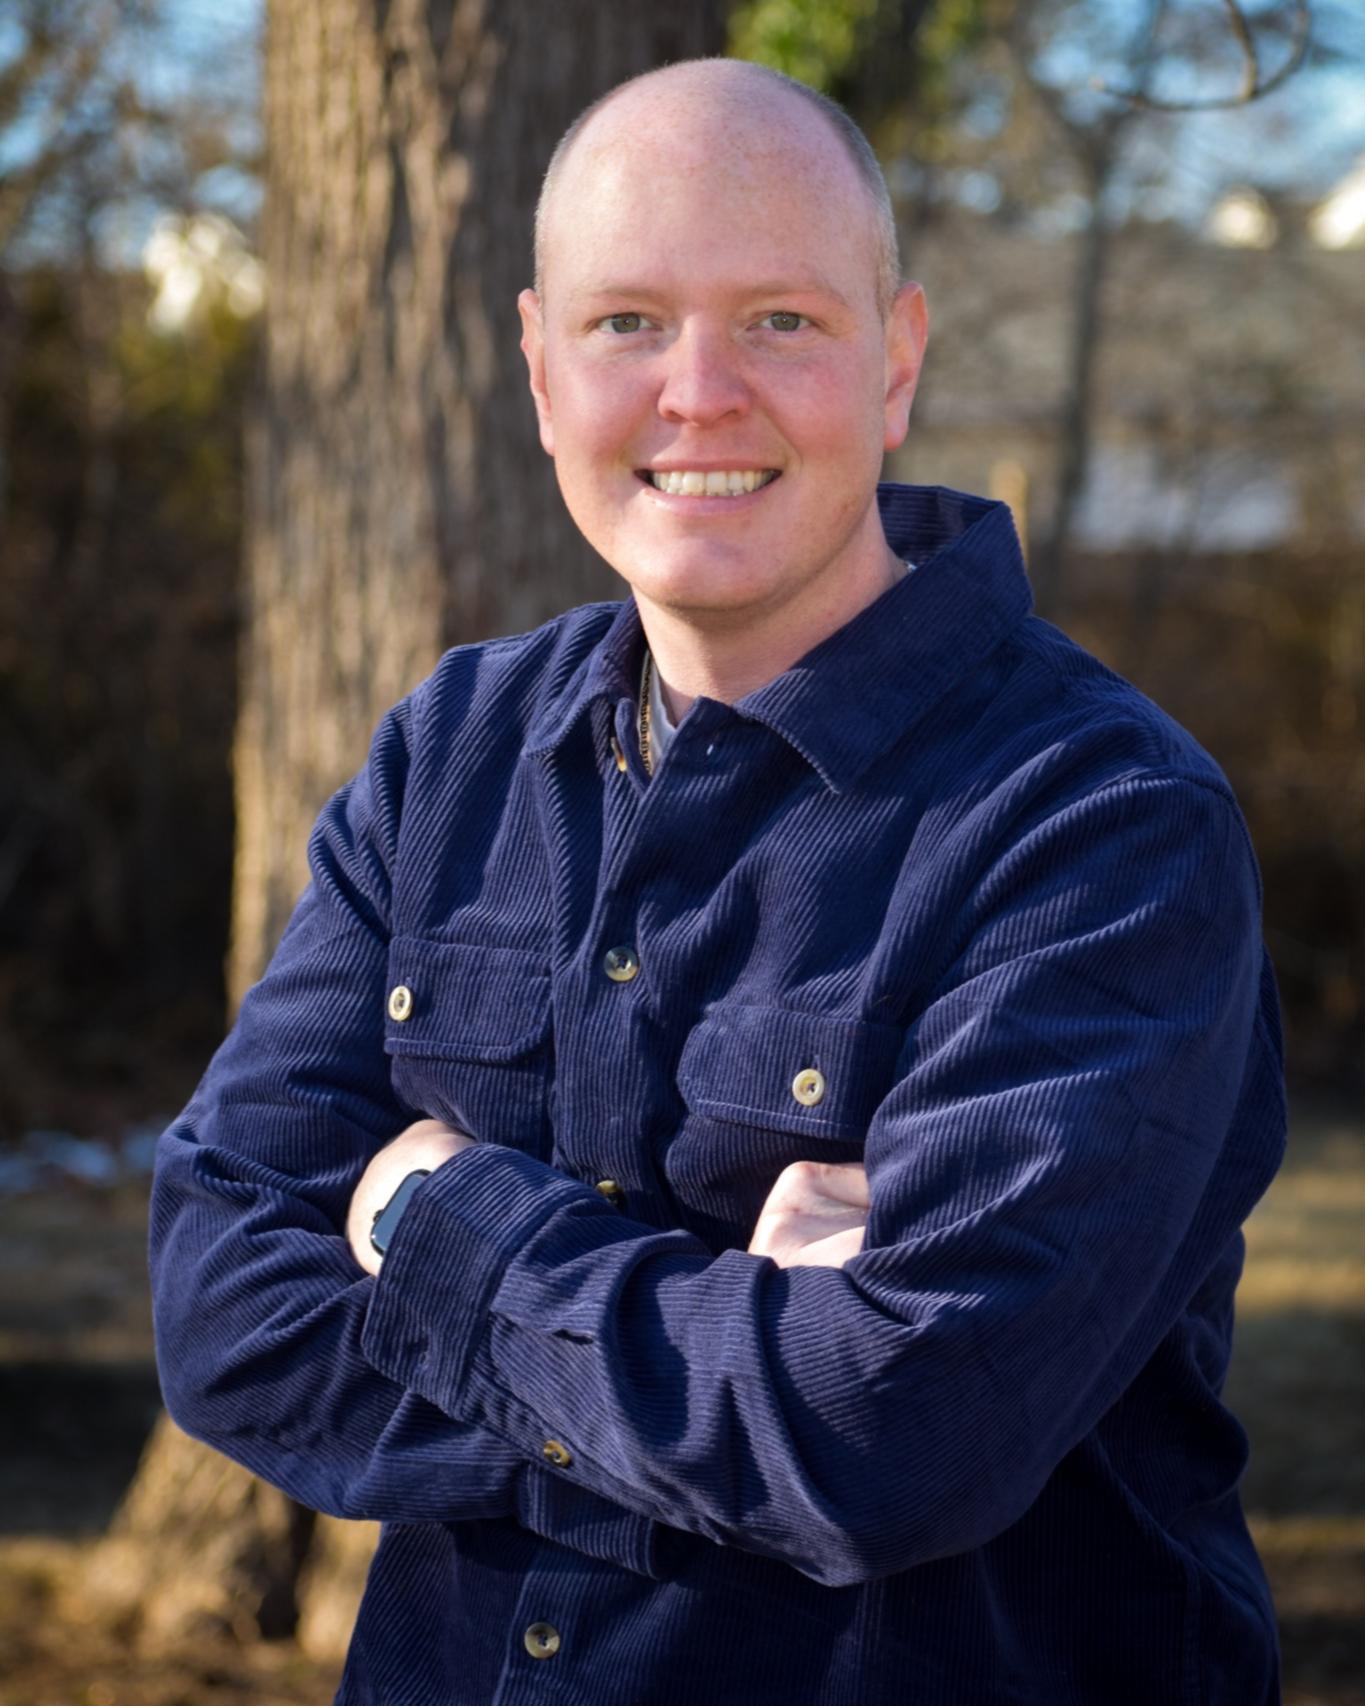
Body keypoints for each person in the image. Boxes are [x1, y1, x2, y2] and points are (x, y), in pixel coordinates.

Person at [149, 56, 1286, 1706]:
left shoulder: (1098, 827)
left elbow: (894, 1435)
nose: (698, 393)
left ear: (893, 363)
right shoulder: (452, 751)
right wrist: (736, 1368)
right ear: (539, 370)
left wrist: (425, 1216)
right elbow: (220, 1301)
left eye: (778, 322)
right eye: (627, 324)